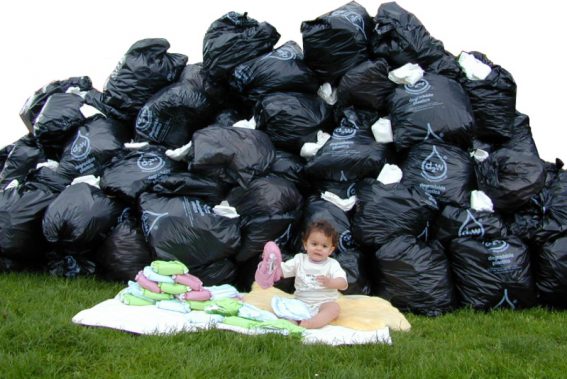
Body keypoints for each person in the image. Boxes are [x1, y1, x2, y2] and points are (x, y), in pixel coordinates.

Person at [256, 220, 348, 329]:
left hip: (323, 304)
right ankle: (293, 320)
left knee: (334, 308)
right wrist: (272, 266)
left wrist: (331, 282)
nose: (318, 248)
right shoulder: (299, 260)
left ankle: (309, 324)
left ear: (330, 250)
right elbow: (283, 271)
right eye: (314, 244)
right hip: (301, 303)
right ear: (305, 244)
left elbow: (343, 284)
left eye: (324, 246)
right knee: (282, 305)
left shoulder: (332, 264)